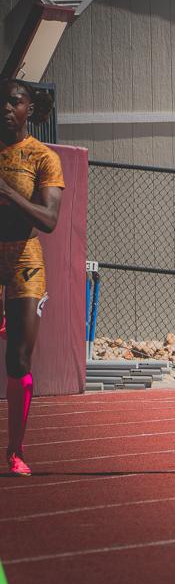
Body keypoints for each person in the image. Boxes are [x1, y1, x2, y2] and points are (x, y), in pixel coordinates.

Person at [0, 79, 63, 476]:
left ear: (29, 110)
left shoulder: (42, 157)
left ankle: (15, 451)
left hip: (24, 259)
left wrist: (9, 193)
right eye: (1, 102)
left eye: (14, 102)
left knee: (18, 357)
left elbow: (50, 219)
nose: (6, 108)